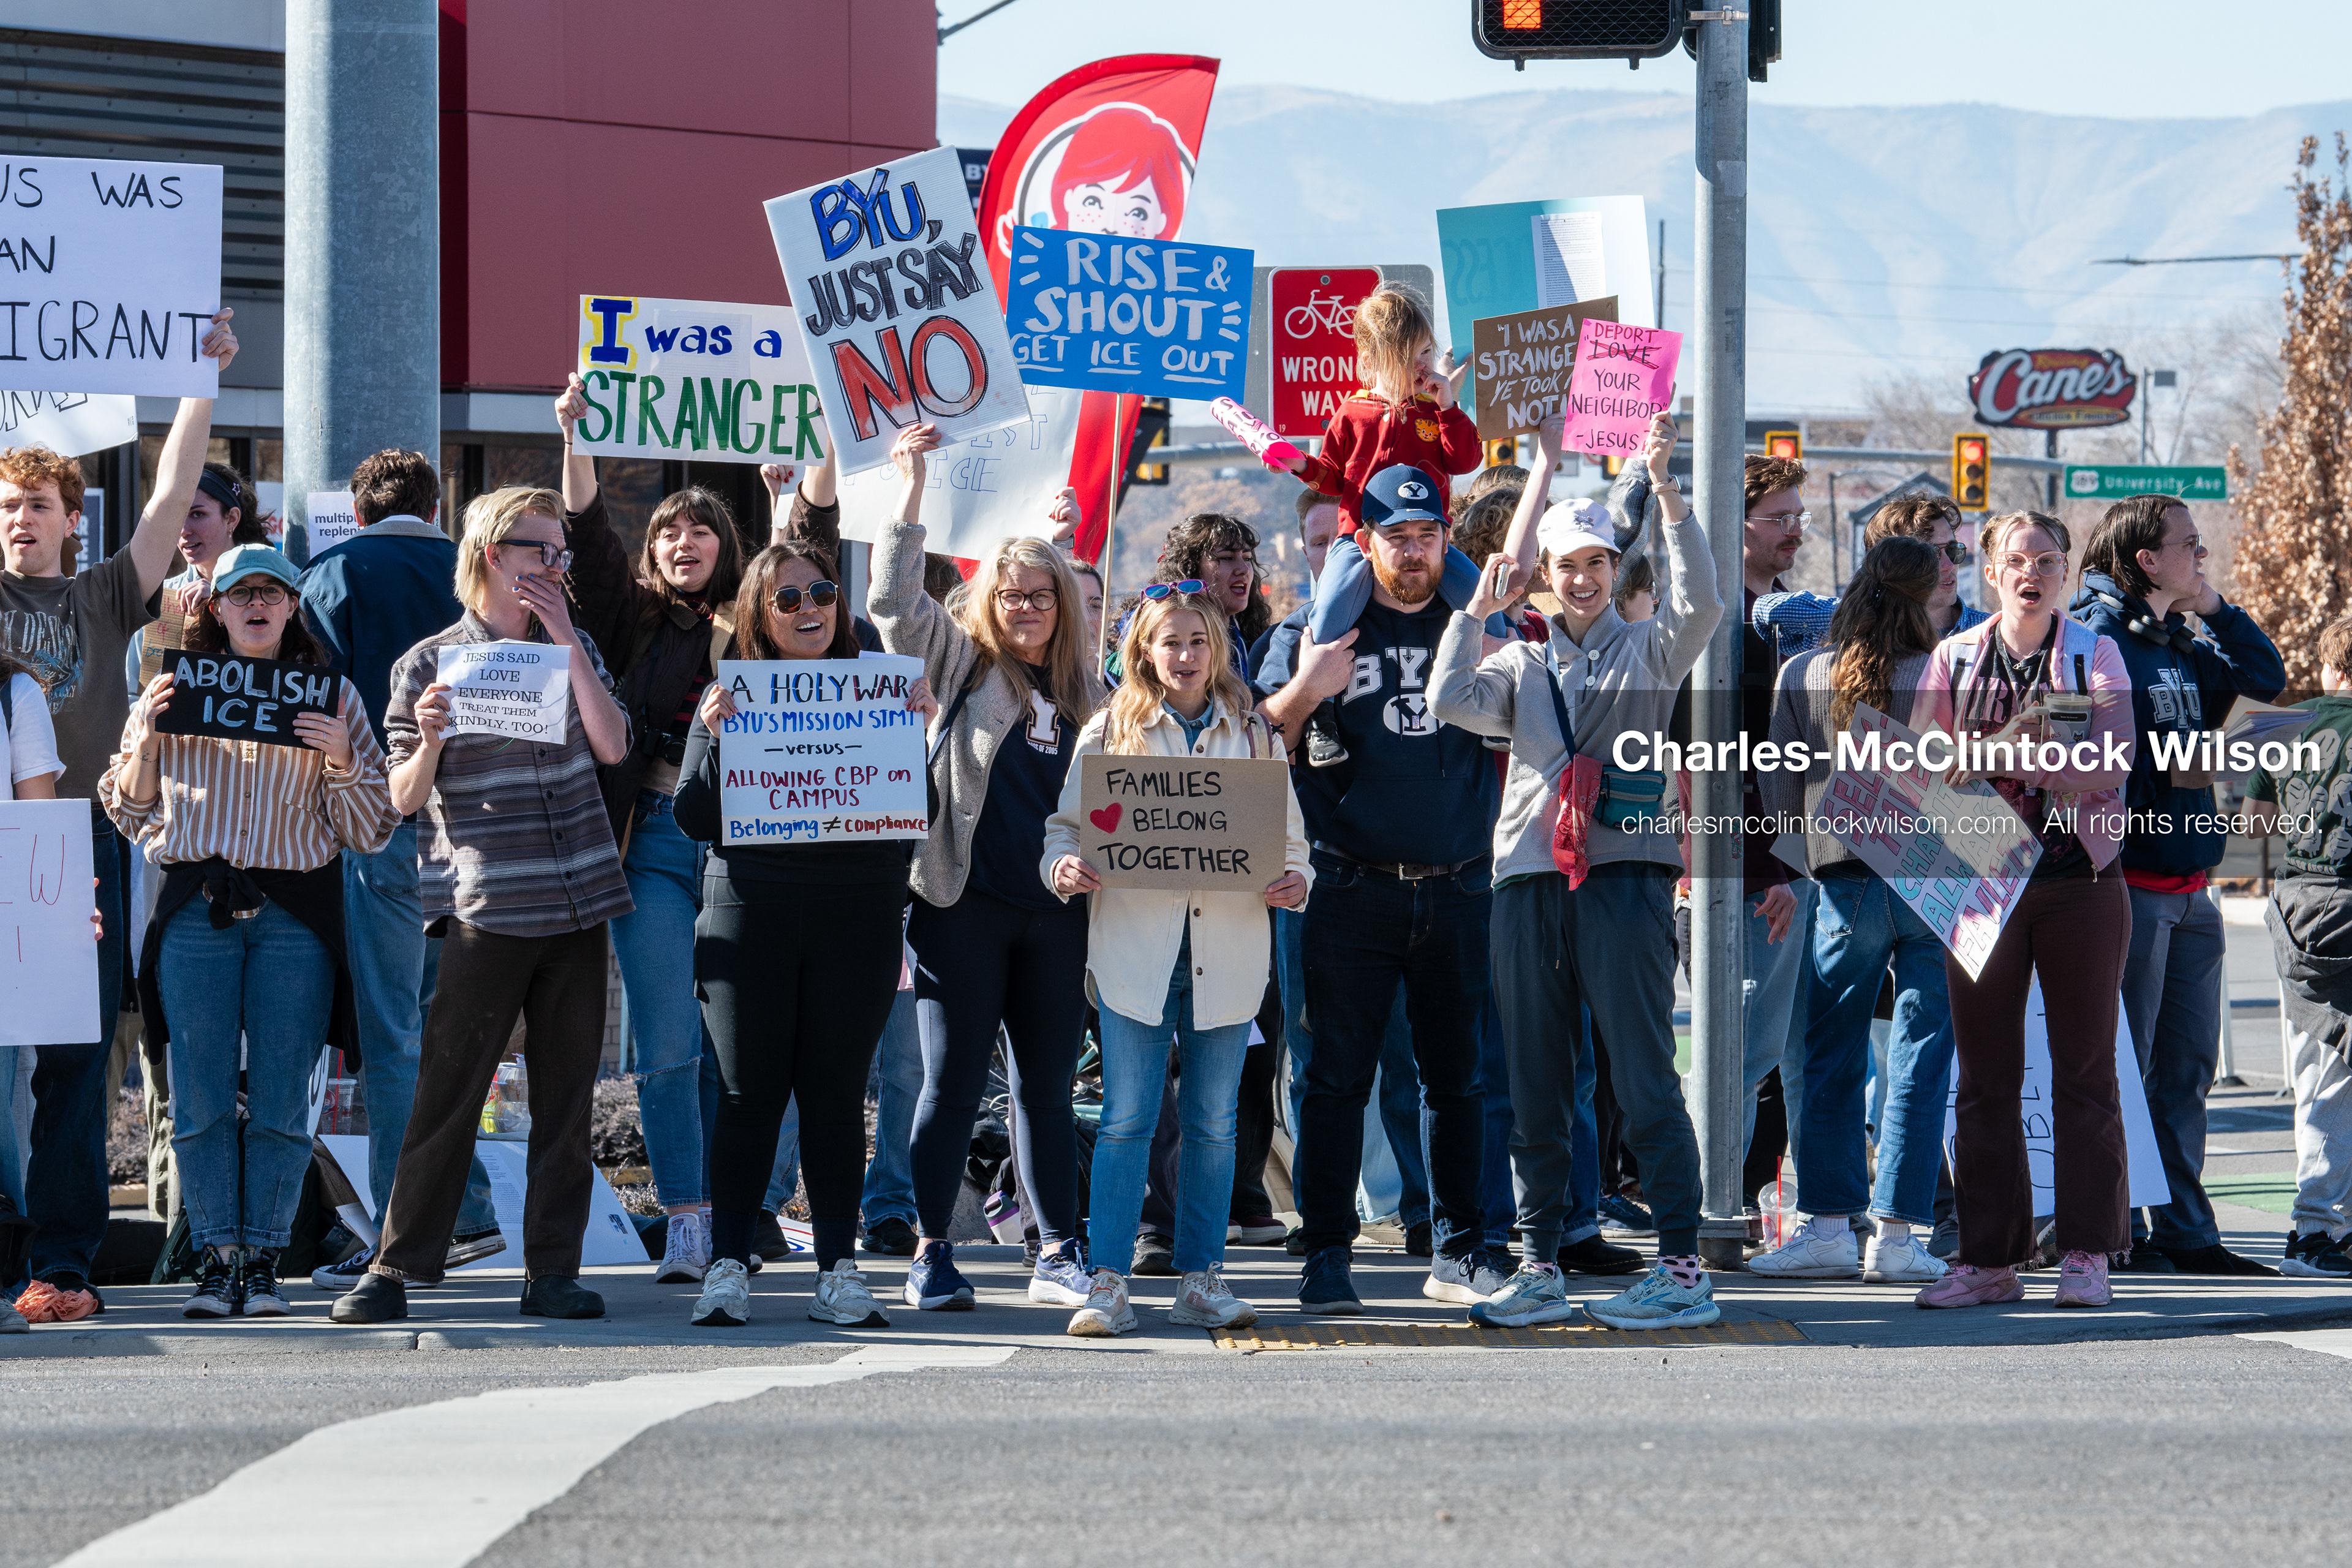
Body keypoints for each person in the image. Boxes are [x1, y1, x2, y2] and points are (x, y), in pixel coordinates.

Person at [1431, 412, 1725, 1329]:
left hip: (1626, 879)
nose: (1586, 578)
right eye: (1570, 566)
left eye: (1599, 563)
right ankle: (1540, 1263)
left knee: (1642, 1078)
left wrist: (1669, 494)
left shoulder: (1650, 650)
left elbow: (1704, 605)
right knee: (1535, 1086)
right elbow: (1448, 699)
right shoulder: (1518, 660)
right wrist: (1476, 609)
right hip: (1526, 881)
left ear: (1613, 569)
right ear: (1547, 579)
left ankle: (1682, 1268)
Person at [330, 487, 635, 1325]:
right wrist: (428, 737)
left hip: (578, 899)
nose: (555, 564)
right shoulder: (428, 664)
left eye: (560, 551)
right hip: (487, 904)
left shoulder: (573, 645)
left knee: (568, 1100)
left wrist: (569, 640)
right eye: (541, 549)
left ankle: (552, 1273)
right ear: (493, 554)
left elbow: (614, 745)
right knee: (448, 1093)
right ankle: (395, 1270)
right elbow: (398, 797)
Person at [0, 308, 236, 1324]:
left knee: (73, 1061)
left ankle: (60, 1264)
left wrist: (203, 382)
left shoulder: (103, 597)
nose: (23, 518)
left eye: (41, 504)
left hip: (74, 845)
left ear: (71, 517)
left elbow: (173, 498)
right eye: (9, 504)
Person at [105, 545, 397, 1318]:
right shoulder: (171, 690)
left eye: (271, 592)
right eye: (241, 594)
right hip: (195, 905)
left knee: (279, 1098)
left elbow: (371, 828)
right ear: (217, 607)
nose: (257, 604)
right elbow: (128, 811)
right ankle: (217, 1258)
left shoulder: (332, 696)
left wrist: (341, 761)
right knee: (196, 1097)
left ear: (293, 606)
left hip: (295, 917)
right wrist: (146, 748)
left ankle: (264, 1259)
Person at [1257, 462, 1507, 1315]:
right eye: (1395, 537)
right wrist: (1306, 686)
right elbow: (1257, 746)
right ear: (1365, 544)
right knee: (1335, 1080)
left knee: (1457, 1082)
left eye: (1427, 535)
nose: (1412, 552)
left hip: (1458, 887)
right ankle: (1326, 1252)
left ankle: (1460, 1248)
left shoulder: (1477, 628)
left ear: (1446, 539)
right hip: (1347, 886)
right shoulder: (1315, 629)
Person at [867, 424, 1106, 1313]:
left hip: (1055, 916)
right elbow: (894, 599)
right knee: (953, 1083)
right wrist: (912, 487)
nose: (1026, 606)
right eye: (1010, 593)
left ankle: (1060, 1253)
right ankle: (932, 1251)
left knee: (1047, 1089)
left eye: (1042, 594)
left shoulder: (1094, 695)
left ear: (1063, 603)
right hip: (959, 907)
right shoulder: (964, 664)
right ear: (988, 598)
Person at [673, 538, 935, 1328]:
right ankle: (727, 1264)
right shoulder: (729, 695)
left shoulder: (881, 690)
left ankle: (838, 1272)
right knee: (747, 1093)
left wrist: (916, 733)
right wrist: (718, 737)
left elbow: (910, 813)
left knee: (832, 1096)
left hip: (855, 911)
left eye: (821, 592)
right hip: (749, 909)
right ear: (759, 613)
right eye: (788, 599)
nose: (810, 608)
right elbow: (691, 813)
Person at [1043, 590, 1310, 1335]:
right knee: (1127, 1119)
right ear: (1144, 651)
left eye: (1199, 641)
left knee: (1214, 1124)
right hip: (1135, 956)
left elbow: (1292, 840)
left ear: (1217, 650)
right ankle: (1107, 1281)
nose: (1187, 655)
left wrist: (1298, 879)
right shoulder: (1110, 730)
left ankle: (1202, 1277)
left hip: (1226, 955)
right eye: (1171, 642)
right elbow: (1064, 828)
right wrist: (1063, 867)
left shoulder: (1254, 735)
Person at [1911, 511, 2136, 1310]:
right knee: (1985, 1079)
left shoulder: (2094, 652)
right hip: (1980, 885)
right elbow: (1925, 767)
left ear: (2066, 573)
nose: (2031, 572)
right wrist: (2042, 759)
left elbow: (2111, 763)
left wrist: (2000, 755)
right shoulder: (1955, 658)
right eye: (2016, 560)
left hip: (2083, 885)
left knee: (2085, 1073)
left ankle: (2085, 1253)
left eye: (2047, 559)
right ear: (1991, 572)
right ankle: (1988, 1260)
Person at [299, 447, 507, 1294]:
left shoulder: (332, 574)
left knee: (391, 1037)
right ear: (436, 502)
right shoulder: (475, 570)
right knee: (447, 1032)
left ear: (357, 508)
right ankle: (469, 1210)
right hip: (482, 830)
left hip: (383, 819)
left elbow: (311, 705)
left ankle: (405, 1229)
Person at [557, 375, 748, 1283]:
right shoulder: (629, 619)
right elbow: (590, 545)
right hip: (653, 846)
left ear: (727, 547)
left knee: (741, 1047)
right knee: (670, 1044)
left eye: (701, 528)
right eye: (669, 528)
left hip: (748, 852)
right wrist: (575, 437)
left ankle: (741, 1207)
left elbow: (820, 559)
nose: (683, 541)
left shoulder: (763, 623)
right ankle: (688, 1219)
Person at [2072, 494, 2283, 1277]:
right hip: (2129, 883)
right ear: (2144, 559)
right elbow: (2086, 757)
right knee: (2125, 1063)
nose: (2202, 555)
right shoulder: (2098, 635)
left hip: (2192, 885)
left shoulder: (2179, 637)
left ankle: (2187, 1232)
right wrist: (2167, 767)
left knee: (2187, 1070)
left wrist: (2214, 606)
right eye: (2188, 546)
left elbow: (2266, 674)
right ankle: (2116, 1225)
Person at [1750, 537, 1956, 1285]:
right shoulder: (1948, 672)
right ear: (1930, 592)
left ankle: (1829, 1226)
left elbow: (1777, 783)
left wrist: (1807, 859)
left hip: (1844, 878)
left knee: (1828, 1056)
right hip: (1936, 876)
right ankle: (1899, 1236)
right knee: (1920, 1060)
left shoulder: (1806, 671)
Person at [1283, 285, 1485, 766]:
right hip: (1359, 542)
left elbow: (1467, 460)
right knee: (1328, 615)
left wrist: (1451, 407)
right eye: (1410, 356)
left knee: (1485, 606)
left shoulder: (1436, 411)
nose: (1423, 365)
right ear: (1372, 362)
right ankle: (1321, 717)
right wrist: (1298, 464)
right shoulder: (1352, 412)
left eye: (1428, 352)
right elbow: (1331, 477)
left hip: (1430, 542)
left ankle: (1493, 700)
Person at [2244, 613, 2352, 1278]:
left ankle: (2316, 1227)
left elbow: (2253, 821)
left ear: (2327, 663)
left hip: (2299, 909)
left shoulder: (2279, 722)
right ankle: (2318, 1234)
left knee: (2319, 1070)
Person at [1752, 493, 1991, 657]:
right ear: (1889, 563)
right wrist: (1860, 613)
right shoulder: (1848, 624)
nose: (1949, 565)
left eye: (1953, 550)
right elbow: (1764, 611)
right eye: (1931, 554)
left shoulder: (1989, 632)